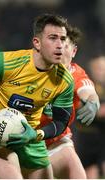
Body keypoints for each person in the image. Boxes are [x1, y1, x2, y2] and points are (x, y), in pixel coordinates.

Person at [0, 13, 74, 179]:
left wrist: (37, 134)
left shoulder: (64, 80)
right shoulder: (4, 63)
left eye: (63, 39)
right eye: (53, 38)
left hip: (29, 138)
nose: (60, 45)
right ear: (37, 43)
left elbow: (61, 121)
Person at [39, 25, 100, 179]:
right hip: (25, 140)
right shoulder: (33, 69)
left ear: (73, 51)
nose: (60, 48)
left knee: (76, 170)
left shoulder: (75, 74)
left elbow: (88, 91)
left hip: (57, 141)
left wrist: (92, 102)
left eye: (65, 46)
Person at [75, 55, 105, 179]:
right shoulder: (86, 86)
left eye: (103, 68)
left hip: (102, 137)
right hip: (86, 137)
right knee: (89, 171)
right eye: (98, 68)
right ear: (91, 69)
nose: (101, 72)